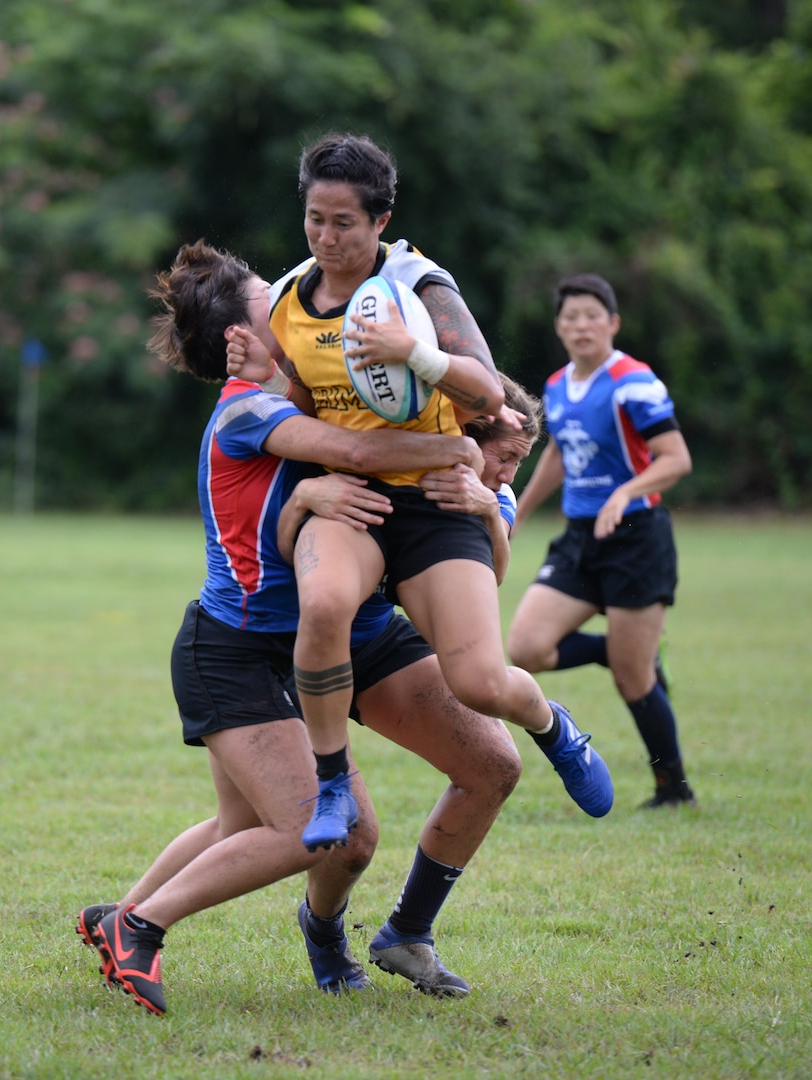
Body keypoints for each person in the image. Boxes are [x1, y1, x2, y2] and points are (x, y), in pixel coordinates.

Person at [77, 241, 525, 1015]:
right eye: (269, 298)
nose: (296, 300)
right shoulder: (252, 407)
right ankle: (140, 927)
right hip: (241, 649)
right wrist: (456, 448)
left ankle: (117, 918)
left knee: (257, 821)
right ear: (242, 340)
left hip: (348, 631)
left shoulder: (311, 381)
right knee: (330, 830)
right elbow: (354, 448)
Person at [252, 133, 612, 851]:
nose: (326, 237)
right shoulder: (288, 302)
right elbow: (293, 406)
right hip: (351, 496)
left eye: (344, 222)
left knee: (479, 681)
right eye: (315, 218)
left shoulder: (421, 286)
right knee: (323, 605)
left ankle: (553, 725)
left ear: (381, 221)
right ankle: (330, 782)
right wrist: (306, 475)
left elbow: (484, 387)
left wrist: (410, 353)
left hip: (434, 497)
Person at [505, 273, 695, 808]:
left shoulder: (634, 381)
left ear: (612, 323)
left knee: (635, 680)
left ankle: (673, 788)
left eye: (592, 316)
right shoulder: (559, 386)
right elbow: (561, 454)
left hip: (637, 537)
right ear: (559, 328)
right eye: (570, 317)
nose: (581, 325)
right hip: (581, 539)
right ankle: (615, 653)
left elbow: (676, 459)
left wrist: (626, 492)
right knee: (525, 648)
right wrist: (517, 508)